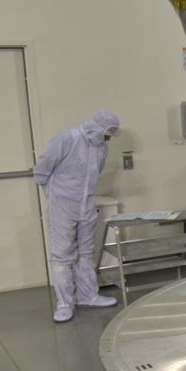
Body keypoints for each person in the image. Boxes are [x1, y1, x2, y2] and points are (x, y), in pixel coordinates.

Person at [33, 111, 121, 322]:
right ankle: (64, 304)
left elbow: (95, 173)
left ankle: (88, 295)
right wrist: (55, 195)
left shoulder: (101, 146)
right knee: (62, 255)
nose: (109, 138)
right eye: (108, 133)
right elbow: (42, 171)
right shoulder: (67, 138)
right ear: (99, 128)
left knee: (85, 252)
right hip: (62, 204)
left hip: (87, 204)